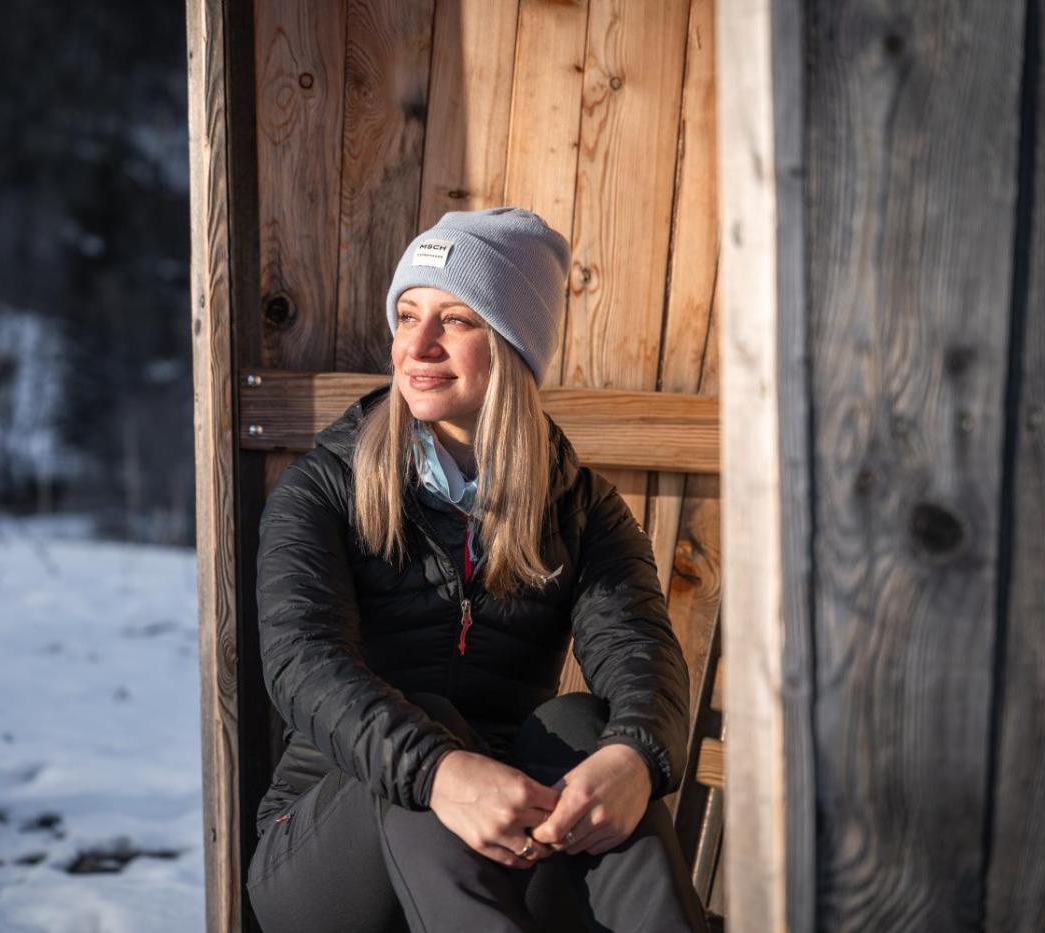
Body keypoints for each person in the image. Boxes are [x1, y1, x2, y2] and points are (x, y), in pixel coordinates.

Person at [245, 207, 708, 932]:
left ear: (514, 346)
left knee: (584, 726)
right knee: (425, 721)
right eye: (407, 315)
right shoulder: (324, 490)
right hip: (328, 858)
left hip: (512, 839)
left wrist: (635, 758)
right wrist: (437, 771)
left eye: (455, 319)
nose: (417, 344)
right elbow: (302, 661)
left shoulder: (581, 511)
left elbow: (640, 653)